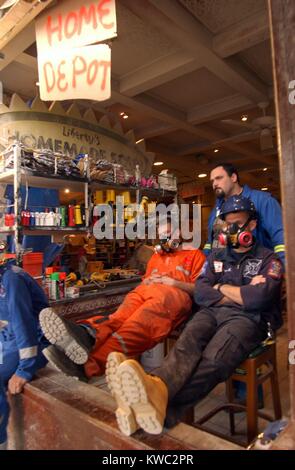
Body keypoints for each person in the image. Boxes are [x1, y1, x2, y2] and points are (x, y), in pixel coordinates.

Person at [105, 195, 283, 436]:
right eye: (228, 223)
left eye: (238, 223)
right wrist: (238, 291)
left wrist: (220, 289)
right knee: (186, 343)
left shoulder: (268, 260)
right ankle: (152, 396)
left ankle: (160, 408)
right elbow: (201, 292)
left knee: (214, 358)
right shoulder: (217, 257)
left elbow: (259, 299)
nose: (232, 229)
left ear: (251, 225)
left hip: (247, 320)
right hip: (211, 312)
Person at [39, 218, 206, 382]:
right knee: (118, 318)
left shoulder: (195, 255)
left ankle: (89, 365)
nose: (164, 240)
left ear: (179, 233)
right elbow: (146, 278)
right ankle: (87, 333)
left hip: (171, 298)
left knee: (133, 327)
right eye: (161, 236)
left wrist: (174, 283)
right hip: (145, 291)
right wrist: (147, 281)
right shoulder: (156, 257)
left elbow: (202, 290)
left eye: (168, 234)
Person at [0, 242, 49, 450]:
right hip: (11, 339)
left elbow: (24, 325)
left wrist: (24, 370)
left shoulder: (12, 280)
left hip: (36, 342)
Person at [204, 163, 285, 265]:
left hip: (258, 272)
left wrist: (280, 272)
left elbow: (282, 241)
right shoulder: (216, 210)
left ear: (233, 177)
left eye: (219, 178)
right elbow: (211, 242)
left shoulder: (263, 201)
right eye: (212, 181)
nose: (214, 184)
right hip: (225, 274)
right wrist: (205, 266)